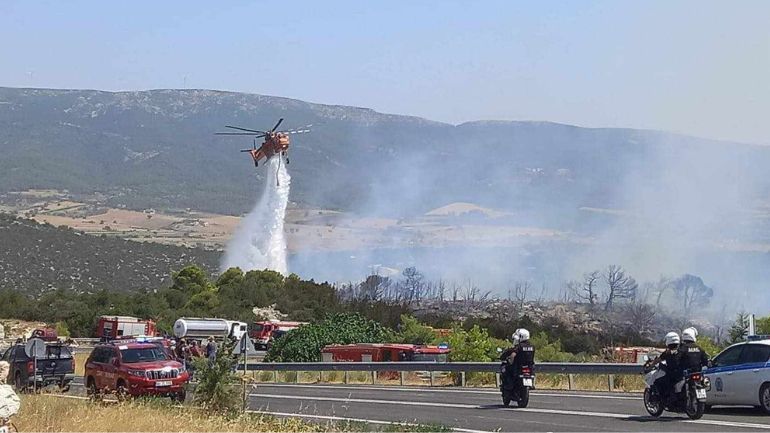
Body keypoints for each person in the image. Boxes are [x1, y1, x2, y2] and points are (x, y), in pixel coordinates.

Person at [651, 331, 681, 403]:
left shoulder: (667, 352)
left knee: (658, 382)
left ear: (668, 341)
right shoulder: (682, 350)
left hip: (672, 373)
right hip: (682, 372)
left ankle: (670, 397)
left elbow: (658, 360)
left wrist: (651, 364)